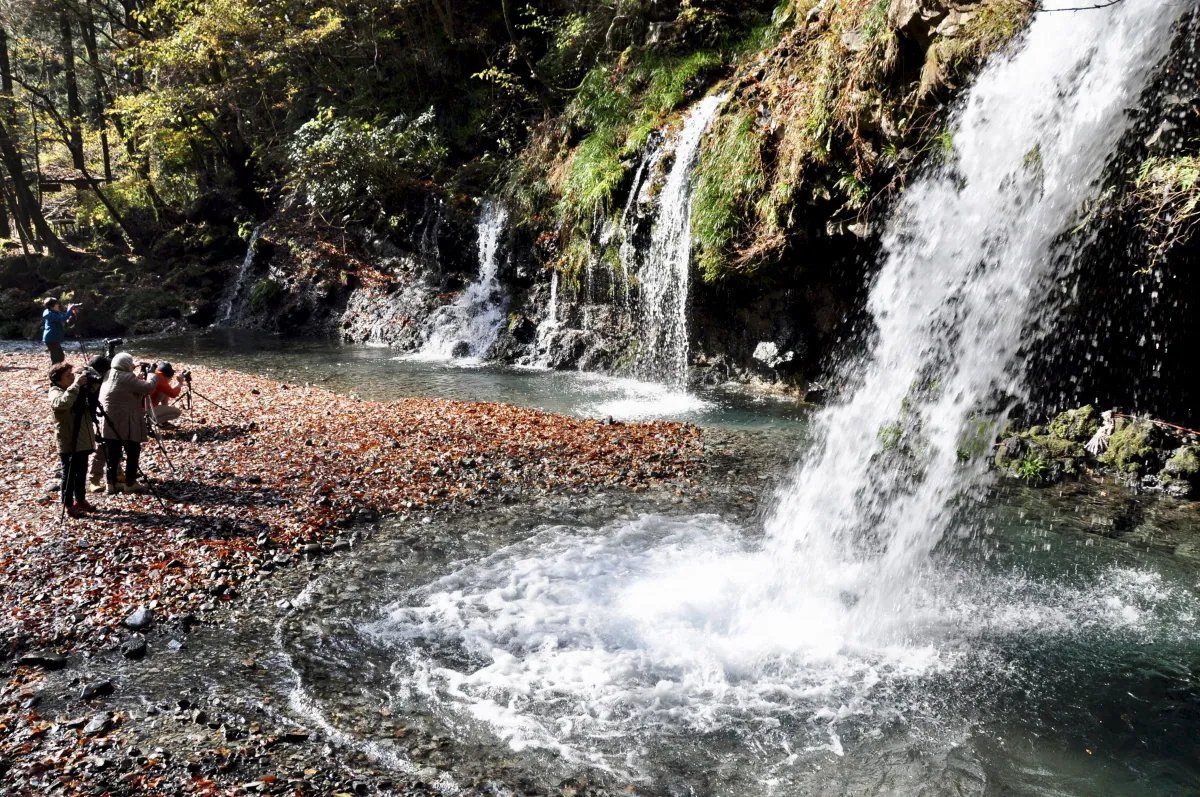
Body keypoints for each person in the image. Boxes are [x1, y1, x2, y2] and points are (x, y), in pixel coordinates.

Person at [99, 352, 154, 494]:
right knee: (133, 450)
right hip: (125, 421)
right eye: (130, 363)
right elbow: (148, 388)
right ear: (125, 364)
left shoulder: (109, 374)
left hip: (107, 422)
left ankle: (111, 483)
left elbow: (125, 390)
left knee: (113, 454)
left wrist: (134, 374)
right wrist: (153, 374)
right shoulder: (127, 377)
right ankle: (130, 483)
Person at [48, 361, 96, 517]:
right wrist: (76, 385)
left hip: (82, 438)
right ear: (58, 379)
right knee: (69, 474)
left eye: (72, 374)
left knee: (81, 472)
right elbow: (61, 404)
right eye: (68, 375)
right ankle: (68, 504)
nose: (72, 377)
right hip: (69, 440)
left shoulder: (76, 389)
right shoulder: (55, 391)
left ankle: (80, 500)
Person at [84, 355, 112, 492]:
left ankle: (117, 473)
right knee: (102, 448)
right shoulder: (89, 380)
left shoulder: (90, 376)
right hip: (95, 416)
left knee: (114, 445)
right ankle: (94, 479)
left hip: (102, 414)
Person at [147, 361, 185, 428]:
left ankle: (163, 422)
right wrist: (180, 383)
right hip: (146, 411)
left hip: (143, 406)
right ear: (167, 377)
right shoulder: (161, 380)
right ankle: (149, 423)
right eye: (171, 378)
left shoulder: (155, 374)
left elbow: (169, 391)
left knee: (165, 393)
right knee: (177, 412)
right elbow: (173, 394)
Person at [42, 298, 79, 364]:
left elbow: (64, 317)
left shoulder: (53, 312)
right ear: (52, 306)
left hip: (53, 338)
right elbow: (63, 318)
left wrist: (70, 312)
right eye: (56, 304)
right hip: (51, 338)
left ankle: (56, 371)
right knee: (57, 358)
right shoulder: (50, 314)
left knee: (60, 357)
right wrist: (70, 309)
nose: (58, 305)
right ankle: (54, 372)